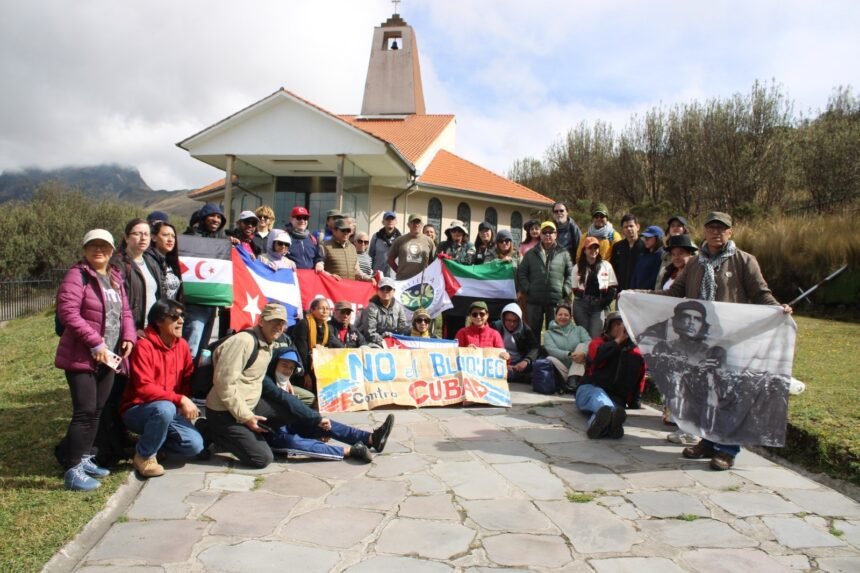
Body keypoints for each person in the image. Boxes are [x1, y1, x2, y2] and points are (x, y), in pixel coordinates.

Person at [667, 211, 792, 471]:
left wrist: (777, 308)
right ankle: (708, 441)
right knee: (703, 392)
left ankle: (727, 449)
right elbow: (674, 293)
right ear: (704, 231)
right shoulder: (694, 263)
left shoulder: (744, 261)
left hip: (732, 339)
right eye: (711, 228)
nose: (716, 233)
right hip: (700, 339)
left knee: (728, 395)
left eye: (721, 228)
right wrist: (639, 296)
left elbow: (760, 293)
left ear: (730, 232)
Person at [55, 229, 135, 490]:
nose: (98, 250)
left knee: (98, 410)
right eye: (93, 246)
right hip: (83, 357)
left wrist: (129, 337)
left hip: (109, 357)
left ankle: (85, 456)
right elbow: (68, 313)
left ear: (112, 251)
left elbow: (125, 312)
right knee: (84, 412)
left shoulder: (114, 277)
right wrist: (96, 342)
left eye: (103, 246)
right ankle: (73, 468)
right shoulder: (77, 275)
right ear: (85, 250)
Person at [263, 348, 394, 463]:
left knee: (326, 425)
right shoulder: (266, 382)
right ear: (274, 364)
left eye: (291, 368)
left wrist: (318, 423)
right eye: (284, 365)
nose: (287, 370)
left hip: (288, 424)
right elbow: (287, 400)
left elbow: (295, 408)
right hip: (270, 432)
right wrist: (317, 418)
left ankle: (370, 438)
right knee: (293, 442)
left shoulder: (285, 382)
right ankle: (351, 451)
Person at [120, 299, 203, 478]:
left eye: (183, 316)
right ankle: (144, 456)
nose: (181, 321)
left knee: (195, 445)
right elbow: (144, 388)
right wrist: (179, 399)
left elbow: (187, 379)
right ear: (158, 321)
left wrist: (183, 401)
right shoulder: (143, 346)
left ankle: (151, 443)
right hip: (138, 409)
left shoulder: (182, 346)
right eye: (174, 316)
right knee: (164, 407)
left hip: (169, 409)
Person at [203, 303, 289, 468]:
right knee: (262, 459)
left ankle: (245, 435)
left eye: (281, 323)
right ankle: (211, 430)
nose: (278, 326)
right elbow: (224, 384)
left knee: (289, 409)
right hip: (224, 412)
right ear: (262, 321)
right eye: (274, 322)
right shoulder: (243, 341)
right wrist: (246, 417)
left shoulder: (268, 342)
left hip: (248, 405)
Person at [577, 313, 644, 439]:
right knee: (603, 402)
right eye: (617, 324)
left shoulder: (636, 354)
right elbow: (596, 357)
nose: (621, 329)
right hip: (590, 389)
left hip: (615, 397)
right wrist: (617, 341)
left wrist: (635, 401)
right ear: (608, 326)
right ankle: (612, 421)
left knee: (605, 411)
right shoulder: (597, 342)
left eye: (624, 326)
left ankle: (600, 426)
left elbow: (639, 379)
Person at [182, 203, 227, 358]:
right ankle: (183, 379)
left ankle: (195, 381)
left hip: (211, 304)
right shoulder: (190, 238)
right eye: (212, 216)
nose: (216, 220)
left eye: (219, 217)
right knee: (191, 346)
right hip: (194, 304)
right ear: (203, 217)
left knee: (203, 350)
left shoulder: (221, 243)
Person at [518, 221, 574, 335]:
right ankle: (534, 352)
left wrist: (565, 290)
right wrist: (528, 288)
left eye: (551, 232)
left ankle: (551, 352)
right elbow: (521, 273)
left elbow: (571, 273)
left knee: (555, 331)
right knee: (533, 331)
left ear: (555, 234)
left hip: (555, 300)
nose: (548, 234)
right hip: (534, 299)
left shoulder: (564, 253)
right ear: (541, 235)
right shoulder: (531, 253)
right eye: (545, 232)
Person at [114, 218, 161, 333]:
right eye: (137, 234)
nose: (143, 238)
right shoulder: (117, 264)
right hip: (130, 331)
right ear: (126, 237)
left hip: (151, 330)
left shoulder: (151, 262)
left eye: (146, 234)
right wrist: (131, 329)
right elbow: (116, 303)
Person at [572, 236, 618, 338]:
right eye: (590, 248)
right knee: (583, 335)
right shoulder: (577, 267)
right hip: (581, 305)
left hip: (599, 305)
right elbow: (574, 288)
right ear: (584, 250)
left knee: (595, 335)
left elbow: (613, 287)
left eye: (596, 248)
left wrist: (604, 302)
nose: (593, 251)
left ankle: (594, 354)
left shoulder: (606, 265)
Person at [542, 303, 592, 393]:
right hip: (562, 369)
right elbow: (551, 349)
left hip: (579, 366)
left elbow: (589, 342)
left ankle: (572, 380)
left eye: (566, 315)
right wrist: (568, 354)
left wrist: (583, 353)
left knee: (582, 346)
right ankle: (570, 381)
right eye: (560, 314)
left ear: (570, 317)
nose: (563, 317)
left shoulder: (579, 330)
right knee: (549, 359)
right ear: (555, 316)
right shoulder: (548, 333)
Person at [292, 298, 333, 393]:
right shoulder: (304, 323)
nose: (325, 311)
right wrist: (305, 374)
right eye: (321, 308)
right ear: (312, 310)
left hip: (318, 366)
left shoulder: (327, 327)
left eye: (327, 309)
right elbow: (301, 350)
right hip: (303, 367)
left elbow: (331, 345)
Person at [492, 303, 539, 383]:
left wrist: (525, 361)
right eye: (508, 320)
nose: (511, 324)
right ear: (503, 319)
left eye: (515, 321)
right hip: (500, 361)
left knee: (538, 366)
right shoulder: (496, 327)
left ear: (519, 320)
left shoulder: (525, 329)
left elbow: (535, 348)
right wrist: (504, 365)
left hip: (519, 363)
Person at [387, 213, 436, 280]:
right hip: (403, 280)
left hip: (421, 280)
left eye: (418, 222)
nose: (416, 225)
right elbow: (390, 260)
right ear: (408, 225)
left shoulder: (429, 241)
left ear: (422, 225)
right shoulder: (400, 240)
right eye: (413, 222)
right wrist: (399, 271)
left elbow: (433, 262)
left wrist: (428, 274)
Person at [362, 277, 409, 347]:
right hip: (374, 343)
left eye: (388, 289)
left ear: (394, 291)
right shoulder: (371, 308)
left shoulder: (398, 307)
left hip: (394, 342)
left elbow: (403, 328)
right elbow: (370, 333)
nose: (385, 291)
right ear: (377, 291)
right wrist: (384, 341)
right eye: (382, 288)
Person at [145, 221, 182, 301]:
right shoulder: (147, 261)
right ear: (154, 237)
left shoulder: (171, 263)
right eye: (165, 235)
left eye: (173, 236)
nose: (170, 240)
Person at [610, 214, 644, 294]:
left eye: (631, 226)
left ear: (638, 227)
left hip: (639, 292)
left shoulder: (645, 246)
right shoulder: (617, 247)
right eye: (625, 227)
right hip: (621, 292)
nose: (629, 229)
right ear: (622, 229)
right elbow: (613, 269)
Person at [369, 211, 401, 278]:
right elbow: (371, 256)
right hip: (379, 275)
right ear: (383, 222)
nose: (390, 221)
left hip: (395, 275)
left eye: (392, 219)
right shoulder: (376, 237)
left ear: (396, 222)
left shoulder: (401, 238)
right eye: (387, 219)